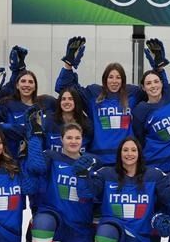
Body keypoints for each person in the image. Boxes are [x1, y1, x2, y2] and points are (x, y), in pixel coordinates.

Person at [24, 121, 97, 242]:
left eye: (77, 138)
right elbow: (35, 166)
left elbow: (94, 194)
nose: (73, 141)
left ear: (82, 140)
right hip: (54, 215)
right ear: (61, 139)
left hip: (79, 226)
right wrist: (34, 138)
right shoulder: (51, 157)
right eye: (69, 137)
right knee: (42, 222)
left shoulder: (92, 162)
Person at [56, 36, 153, 165]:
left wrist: (158, 69)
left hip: (126, 159)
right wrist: (68, 65)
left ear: (123, 80)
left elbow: (156, 91)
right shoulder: (93, 94)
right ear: (105, 79)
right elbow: (63, 88)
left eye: (118, 77)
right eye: (111, 77)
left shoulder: (133, 94)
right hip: (99, 160)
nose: (114, 81)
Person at [43, 85, 92, 153]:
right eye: (63, 99)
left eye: (70, 99)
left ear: (76, 102)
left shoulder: (87, 124)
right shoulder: (49, 121)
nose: (67, 102)